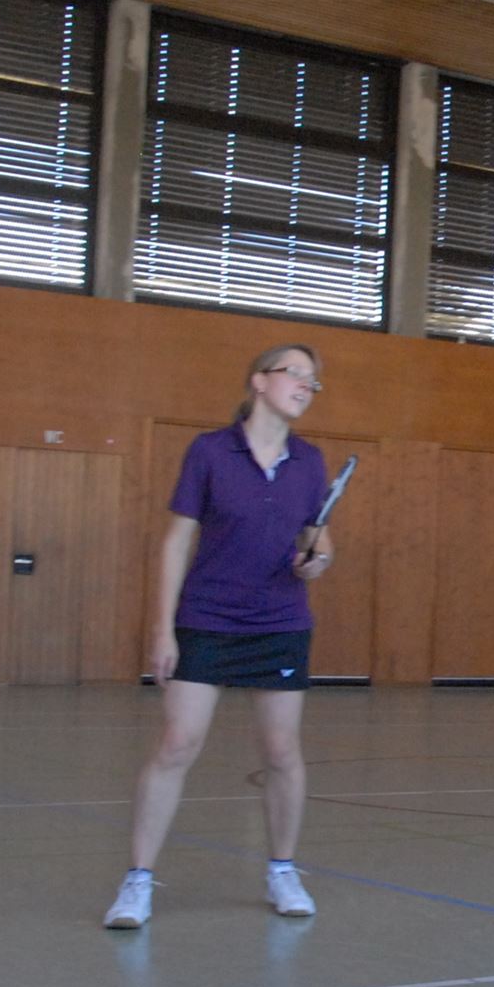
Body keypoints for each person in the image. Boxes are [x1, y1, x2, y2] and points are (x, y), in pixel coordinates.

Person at [104, 344, 334, 929]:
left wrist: (318, 561)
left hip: (280, 622)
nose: (306, 386)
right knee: (177, 744)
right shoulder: (209, 451)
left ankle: (282, 869)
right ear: (259, 381)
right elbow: (176, 542)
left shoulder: (310, 462)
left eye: (313, 380)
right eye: (295, 374)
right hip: (207, 617)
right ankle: (137, 881)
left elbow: (318, 537)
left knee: (281, 752)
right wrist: (163, 629)